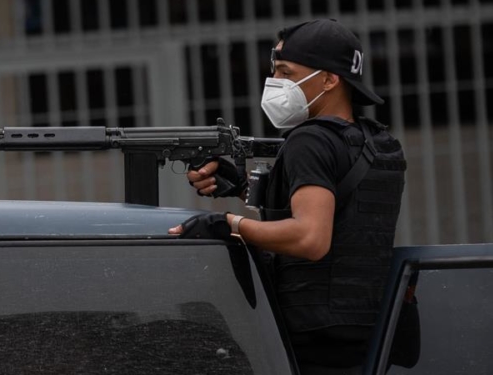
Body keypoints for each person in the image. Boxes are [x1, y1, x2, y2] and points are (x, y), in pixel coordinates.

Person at [169, 19, 406, 374]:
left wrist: (228, 225)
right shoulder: (378, 142)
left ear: (329, 79)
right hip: (371, 329)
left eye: (287, 72)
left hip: (313, 339)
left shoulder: (309, 140)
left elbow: (311, 238)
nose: (277, 83)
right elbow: (344, 213)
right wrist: (241, 187)